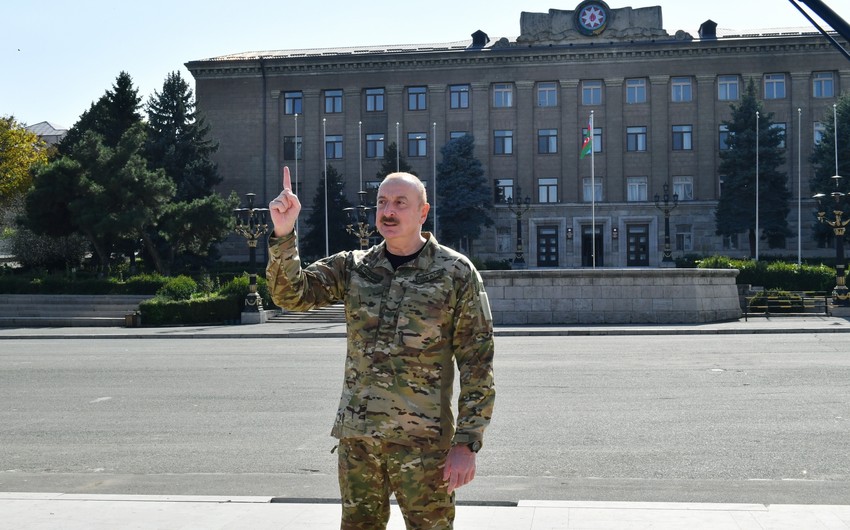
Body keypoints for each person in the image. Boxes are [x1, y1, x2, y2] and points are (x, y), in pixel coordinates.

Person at [267, 167, 495, 530]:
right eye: (382, 202)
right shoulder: (355, 267)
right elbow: (290, 295)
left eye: (400, 203)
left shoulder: (455, 272)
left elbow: (477, 363)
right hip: (359, 441)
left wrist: (467, 444)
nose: (388, 211)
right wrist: (284, 232)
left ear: (423, 212)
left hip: (424, 446)